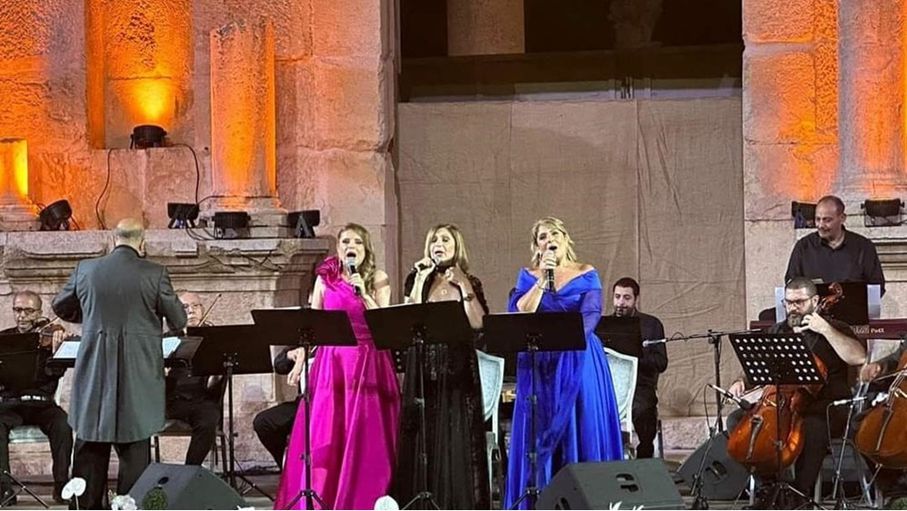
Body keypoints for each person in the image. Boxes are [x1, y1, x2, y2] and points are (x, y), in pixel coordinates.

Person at [52, 218, 187, 509]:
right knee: (135, 447)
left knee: (90, 442)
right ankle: (129, 506)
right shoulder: (155, 273)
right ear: (142, 243)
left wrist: (90, 318)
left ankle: (86, 505)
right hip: (138, 373)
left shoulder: (86, 269)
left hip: (95, 371)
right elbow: (179, 320)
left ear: (114, 240)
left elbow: (60, 305)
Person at [274, 223, 401, 510]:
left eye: (357, 241)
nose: (350, 246)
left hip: (368, 360)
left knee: (366, 433)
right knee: (328, 430)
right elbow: (312, 327)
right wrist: (301, 359)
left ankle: (362, 498)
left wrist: (364, 293)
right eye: (345, 242)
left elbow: (384, 323)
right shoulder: (325, 279)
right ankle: (323, 497)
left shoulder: (377, 278)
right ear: (339, 248)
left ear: (366, 248)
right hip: (332, 363)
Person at [504, 217, 623, 509]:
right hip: (540, 361)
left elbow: (591, 314)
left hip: (579, 356)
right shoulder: (528, 276)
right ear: (536, 246)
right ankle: (540, 497)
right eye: (543, 236)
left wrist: (565, 341)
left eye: (555, 233)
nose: (550, 240)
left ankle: (586, 498)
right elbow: (519, 312)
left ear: (566, 239)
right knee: (539, 424)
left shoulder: (586, 272)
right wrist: (542, 281)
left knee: (580, 423)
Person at [727, 277, 865, 503]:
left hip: (828, 406)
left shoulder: (837, 328)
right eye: (789, 302)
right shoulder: (777, 331)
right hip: (783, 404)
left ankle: (800, 494)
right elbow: (757, 367)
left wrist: (825, 329)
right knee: (737, 421)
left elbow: (857, 357)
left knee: (812, 427)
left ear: (815, 301)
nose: (793, 307)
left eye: (799, 302)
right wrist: (740, 381)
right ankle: (768, 485)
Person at [391, 224, 490, 509]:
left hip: (457, 369)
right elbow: (409, 316)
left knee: (455, 437)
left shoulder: (470, 281)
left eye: (446, 240)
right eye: (435, 239)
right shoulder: (417, 278)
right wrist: (422, 278)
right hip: (422, 366)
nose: (439, 244)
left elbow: (478, 323)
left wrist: (464, 285)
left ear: (457, 247)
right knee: (423, 433)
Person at [0, 291, 73, 504]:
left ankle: (61, 486)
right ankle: (4, 489)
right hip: (12, 403)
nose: (22, 315)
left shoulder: (52, 337)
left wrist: (59, 350)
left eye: (28, 311)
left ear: (39, 312)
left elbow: (58, 372)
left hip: (42, 405)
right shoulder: (4, 340)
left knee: (63, 423)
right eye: (17, 310)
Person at [603, 277, 667, 459]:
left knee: (643, 410)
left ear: (636, 299)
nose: (621, 303)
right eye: (617, 297)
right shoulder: (603, 325)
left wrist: (636, 352)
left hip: (640, 386)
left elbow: (661, 363)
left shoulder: (651, 324)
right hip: (609, 387)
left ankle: (644, 457)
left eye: (626, 298)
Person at [164, 291, 222, 465]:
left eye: (196, 306)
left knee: (209, 417)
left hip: (200, 400)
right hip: (170, 400)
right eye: (185, 307)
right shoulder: (167, 339)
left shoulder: (213, 339)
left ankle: (190, 470)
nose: (191, 311)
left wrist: (218, 372)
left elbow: (214, 384)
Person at [785, 195, 885, 295]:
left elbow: (877, 288)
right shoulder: (803, 247)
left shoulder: (864, 246)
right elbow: (791, 285)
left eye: (827, 220)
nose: (820, 225)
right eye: (817, 219)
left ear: (842, 218)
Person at [252, 346, 302, 468]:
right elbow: (279, 366)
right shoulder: (305, 345)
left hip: (329, 406)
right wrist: (290, 355)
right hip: (302, 405)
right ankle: (287, 466)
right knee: (263, 422)